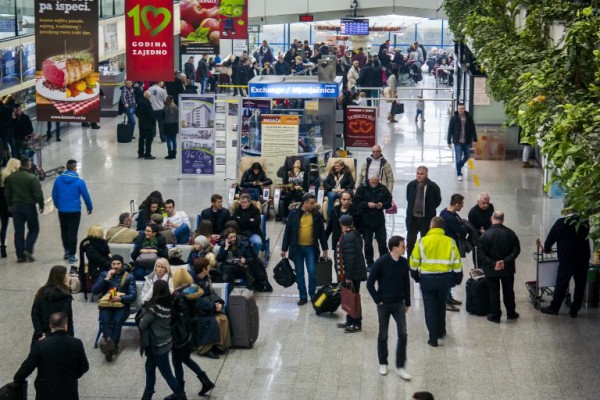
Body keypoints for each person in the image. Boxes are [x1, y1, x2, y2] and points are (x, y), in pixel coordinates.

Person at [409, 217, 462, 347]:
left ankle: (433, 338)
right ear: (442, 228)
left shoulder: (422, 242)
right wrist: (457, 277)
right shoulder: (450, 242)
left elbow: (414, 262)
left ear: (431, 226)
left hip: (427, 281)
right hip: (445, 280)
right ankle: (441, 332)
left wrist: (415, 276)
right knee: (440, 306)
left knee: (430, 309)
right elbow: (456, 262)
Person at [14, 312, 89, 400]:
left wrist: (17, 379)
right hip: (69, 391)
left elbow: (27, 367)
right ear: (65, 325)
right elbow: (84, 367)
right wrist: (72, 376)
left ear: (50, 325)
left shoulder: (41, 345)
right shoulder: (76, 343)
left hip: (46, 392)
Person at [367, 236, 412, 380]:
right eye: (402, 246)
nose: (404, 248)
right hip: (384, 304)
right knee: (383, 334)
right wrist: (378, 300)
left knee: (403, 334)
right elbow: (370, 283)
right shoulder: (381, 262)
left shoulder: (404, 263)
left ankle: (400, 366)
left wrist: (408, 302)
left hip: (399, 303)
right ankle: (383, 363)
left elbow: (406, 282)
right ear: (394, 247)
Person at [168, 268, 215, 398]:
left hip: (180, 334)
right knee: (185, 359)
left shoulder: (178, 296)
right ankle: (205, 381)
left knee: (177, 361)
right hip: (191, 331)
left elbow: (178, 316)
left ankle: (179, 392)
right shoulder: (193, 290)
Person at [138, 280, 187, 400]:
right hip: (166, 341)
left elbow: (142, 325)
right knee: (149, 368)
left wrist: (141, 316)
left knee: (168, 375)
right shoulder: (169, 304)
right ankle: (147, 394)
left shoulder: (154, 307)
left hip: (157, 345)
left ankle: (181, 396)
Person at [540, 208, 590, 318]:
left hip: (568, 258)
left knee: (561, 283)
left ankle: (554, 308)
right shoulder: (585, 222)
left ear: (566, 211)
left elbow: (551, 237)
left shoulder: (561, 222)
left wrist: (547, 248)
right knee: (580, 285)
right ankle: (574, 310)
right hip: (583, 258)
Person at [281, 193, 328, 305]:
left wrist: (325, 248)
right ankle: (303, 296)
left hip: (311, 248)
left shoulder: (316, 214)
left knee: (312, 272)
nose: (314, 205)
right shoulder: (293, 214)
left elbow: (321, 232)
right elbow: (287, 232)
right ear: (305, 203)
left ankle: (312, 294)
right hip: (297, 248)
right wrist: (284, 248)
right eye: (311, 203)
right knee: (300, 273)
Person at [477, 211, 521, 323]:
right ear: (503, 219)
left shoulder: (484, 236)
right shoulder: (511, 233)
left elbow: (481, 254)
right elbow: (516, 250)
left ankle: (495, 315)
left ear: (491, 219)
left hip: (491, 270)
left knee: (493, 292)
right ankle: (511, 313)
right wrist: (504, 262)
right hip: (507, 269)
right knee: (509, 291)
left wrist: (493, 263)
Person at [92, 255, 137, 362]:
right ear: (110, 264)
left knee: (117, 322)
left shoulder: (129, 277)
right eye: (113, 264)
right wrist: (106, 278)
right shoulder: (104, 274)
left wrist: (121, 298)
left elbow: (133, 296)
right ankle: (111, 347)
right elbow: (94, 291)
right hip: (107, 305)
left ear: (122, 264)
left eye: (118, 264)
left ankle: (110, 346)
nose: (116, 266)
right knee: (105, 321)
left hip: (122, 306)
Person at [51, 159, 93, 264]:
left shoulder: (58, 180)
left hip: (62, 210)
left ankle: (66, 250)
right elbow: (85, 196)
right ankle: (72, 255)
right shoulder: (79, 182)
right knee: (73, 233)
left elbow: (54, 195)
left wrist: (58, 205)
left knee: (64, 231)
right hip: (75, 211)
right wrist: (89, 207)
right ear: (74, 168)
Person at [4, 156, 43, 263]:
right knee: (34, 228)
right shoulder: (31, 177)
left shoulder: (11, 177)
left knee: (19, 231)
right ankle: (28, 249)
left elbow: (7, 193)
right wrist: (41, 205)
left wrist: (9, 204)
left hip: (16, 207)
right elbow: (38, 193)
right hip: (29, 206)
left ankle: (20, 255)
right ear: (28, 165)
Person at [192, 258, 231, 359]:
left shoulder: (207, 278)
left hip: (208, 307)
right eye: (208, 267)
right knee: (215, 321)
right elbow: (197, 301)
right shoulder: (192, 283)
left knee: (223, 318)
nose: (210, 269)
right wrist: (213, 306)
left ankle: (217, 345)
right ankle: (205, 349)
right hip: (197, 311)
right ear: (204, 269)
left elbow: (211, 293)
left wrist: (219, 302)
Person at [336, 215, 367, 333]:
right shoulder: (353, 234)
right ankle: (350, 321)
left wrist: (348, 277)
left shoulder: (349, 237)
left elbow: (350, 259)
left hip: (353, 275)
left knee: (353, 299)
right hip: (353, 274)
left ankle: (356, 323)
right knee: (349, 298)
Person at [354, 176, 392, 269]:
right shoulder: (362, 188)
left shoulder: (383, 188)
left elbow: (389, 202)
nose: (374, 184)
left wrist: (382, 205)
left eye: (376, 182)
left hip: (379, 220)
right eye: (372, 182)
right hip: (366, 220)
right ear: (369, 180)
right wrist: (367, 204)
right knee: (368, 243)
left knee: (382, 243)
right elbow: (356, 202)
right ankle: (370, 263)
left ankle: (383, 262)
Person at [31, 265, 74, 345]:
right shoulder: (66, 296)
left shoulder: (41, 292)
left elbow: (35, 314)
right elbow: (65, 316)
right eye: (66, 274)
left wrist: (41, 333)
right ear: (62, 277)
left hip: (41, 337)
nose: (68, 276)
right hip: (60, 338)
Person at [405, 166, 442, 259]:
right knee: (410, 242)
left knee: (426, 241)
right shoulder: (411, 185)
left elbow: (437, 200)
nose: (419, 176)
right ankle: (410, 260)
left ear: (426, 174)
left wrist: (429, 209)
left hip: (426, 219)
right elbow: (408, 199)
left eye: (421, 174)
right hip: (413, 219)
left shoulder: (433, 187)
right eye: (417, 173)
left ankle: (424, 260)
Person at [440, 193, 466, 311]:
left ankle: (449, 297)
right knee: (448, 274)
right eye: (461, 204)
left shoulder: (444, 212)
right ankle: (446, 300)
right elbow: (461, 231)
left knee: (449, 273)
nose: (462, 206)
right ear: (456, 204)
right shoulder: (450, 218)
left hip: (447, 247)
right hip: (449, 249)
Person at [78, 225, 111, 297]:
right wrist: (112, 264)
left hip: (103, 266)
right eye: (102, 232)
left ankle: (109, 292)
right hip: (97, 270)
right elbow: (100, 260)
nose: (103, 234)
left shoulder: (101, 244)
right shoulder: (91, 247)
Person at [448, 103, 477, 181]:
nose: (461, 110)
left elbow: (473, 129)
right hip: (458, 141)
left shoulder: (469, 118)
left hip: (467, 141)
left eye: (462, 108)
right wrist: (449, 141)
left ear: (464, 109)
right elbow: (450, 130)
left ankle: (459, 165)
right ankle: (459, 174)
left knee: (467, 155)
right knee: (458, 157)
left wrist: (474, 139)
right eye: (459, 108)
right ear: (458, 109)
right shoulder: (454, 118)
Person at [0, 157, 19, 257]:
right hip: (12, 205)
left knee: (4, 226)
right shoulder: (13, 177)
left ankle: (3, 247)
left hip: (2, 205)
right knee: (17, 226)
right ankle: (18, 246)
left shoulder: (2, 174)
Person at [137, 90, 157, 160]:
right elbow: (151, 114)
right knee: (149, 139)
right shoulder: (147, 103)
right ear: (148, 96)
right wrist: (154, 120)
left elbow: (137, 112)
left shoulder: (140, 102)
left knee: (141, 138)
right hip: (148, 124)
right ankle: (147, 154)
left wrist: (140, 118)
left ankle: (140, 153)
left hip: (141, 123)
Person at [163, 95, 179, 159]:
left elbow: (162, 117)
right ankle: (174, 153)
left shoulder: (165, 107)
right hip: (174, 124)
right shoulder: (176, 107)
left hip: (167, 125)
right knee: (174, 139)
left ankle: (170, 153)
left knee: (168, 140)